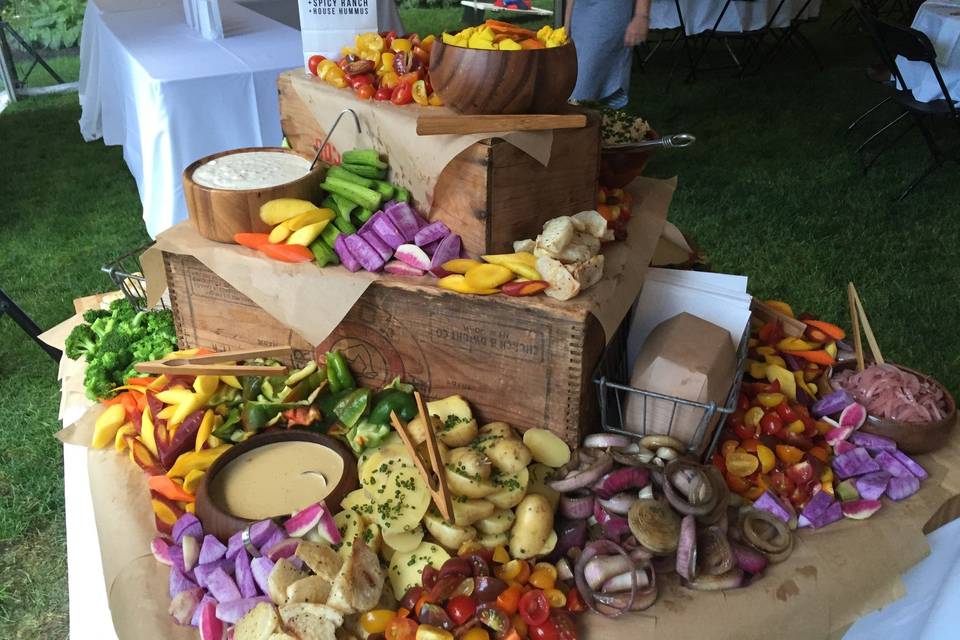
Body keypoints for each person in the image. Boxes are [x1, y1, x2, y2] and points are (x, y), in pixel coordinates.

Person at [565, 0, 650, 108]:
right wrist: (567, 23)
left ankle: (582, 118)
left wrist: (642, 15)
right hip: (580, 11)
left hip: (609, 10)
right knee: (574, 77)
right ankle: (597, 119)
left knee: (582, 88)